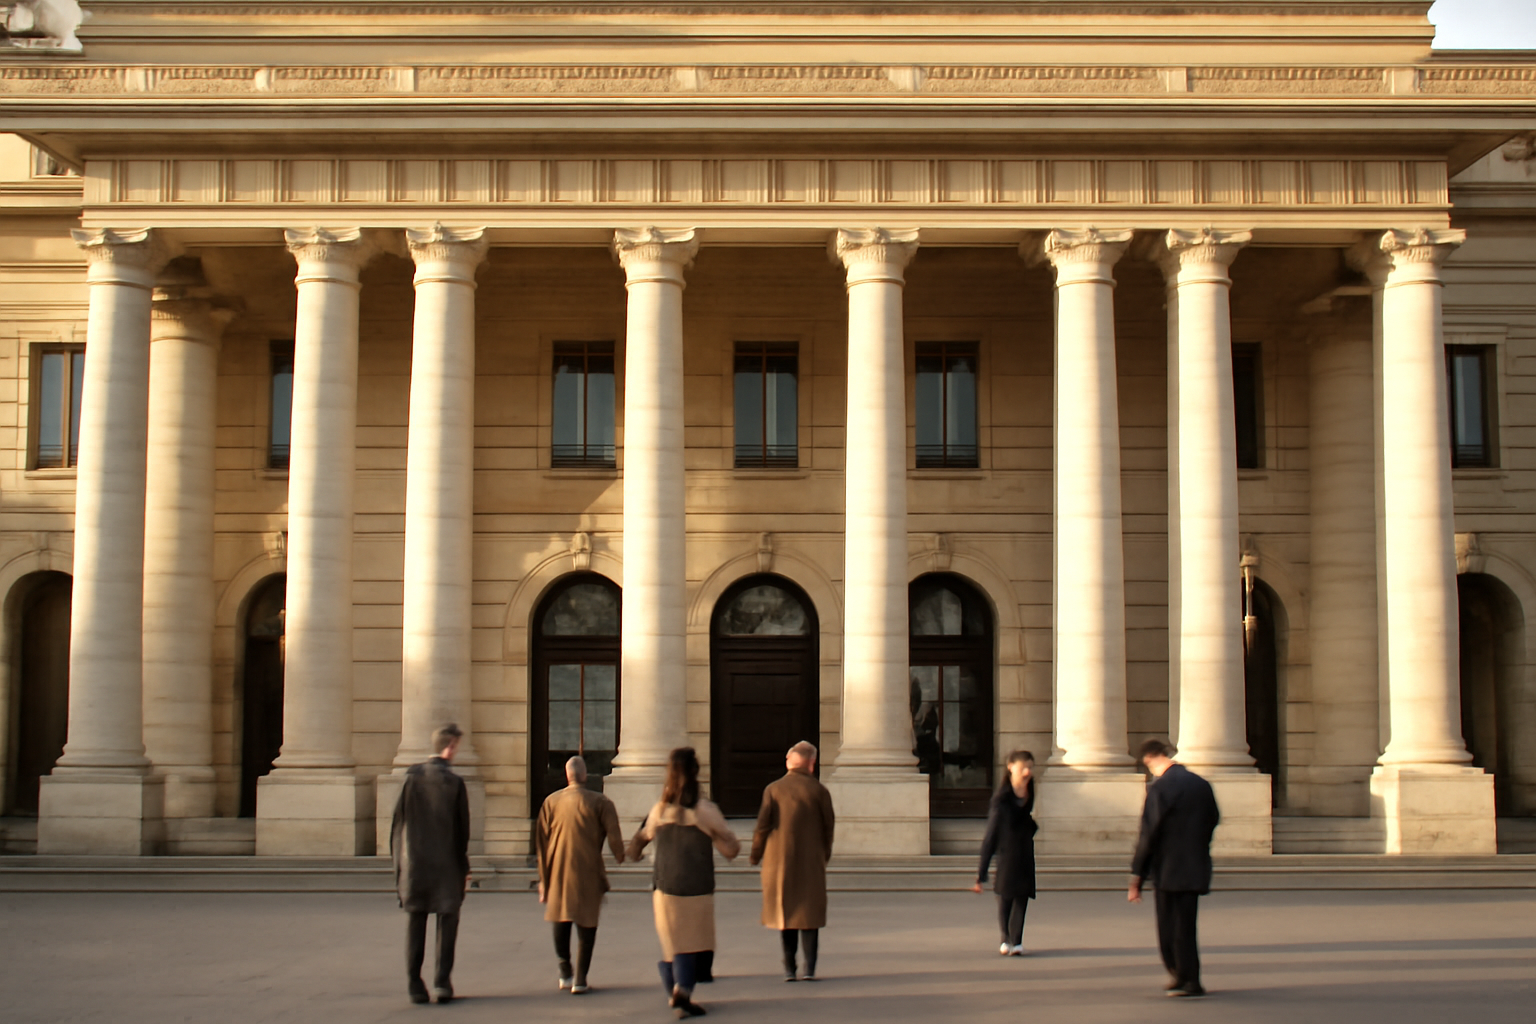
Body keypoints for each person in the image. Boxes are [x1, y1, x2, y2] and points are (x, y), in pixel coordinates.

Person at [628, 747, 741, 1019]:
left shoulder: (659, 810)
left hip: (665, 885)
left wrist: (634, 850)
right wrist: (717, 840)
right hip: (697, 886)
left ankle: (675, 993)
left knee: (671, 944)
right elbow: (731, 848)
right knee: (692, 942)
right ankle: (683, 992)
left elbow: (637, 845)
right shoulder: (705, 810)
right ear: (695, 772)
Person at [1128, 738, 1221, 998]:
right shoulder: (1201, 784)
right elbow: (1213, 819)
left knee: (1170, 928)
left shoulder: (1161, 788)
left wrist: (1137, 874)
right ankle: (1188, 976)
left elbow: (1149, 833)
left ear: (1149, 760)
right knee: (1186, 926)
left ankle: (1183, 977)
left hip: (1168, 868)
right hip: (1195, 865)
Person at [389, 723, 472, 1005]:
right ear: (450, 747)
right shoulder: (454, 783)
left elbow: (398, 826)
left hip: (414, 865)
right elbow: (463, 833)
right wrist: (464, 868)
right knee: (447, 923)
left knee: (416, 923)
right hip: (447, 865)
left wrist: (398, 868)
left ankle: (414, 983)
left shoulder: (411, 779)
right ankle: (442, 982)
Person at [535, 755, 625, 995]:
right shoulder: (600, 802)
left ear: (567, 775)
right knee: (587, 925)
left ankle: (565, 971)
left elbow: (542, 843)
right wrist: (621, 855)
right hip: (588, 869)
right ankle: (581, 979)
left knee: (561, 919)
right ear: (585, 776)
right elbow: (615, 836)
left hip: (557, 869)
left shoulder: (551, 802)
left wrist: (543, 879)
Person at [750, 740, 836, 982]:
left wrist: (756, 854)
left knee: (785, 914)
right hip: (811, 861)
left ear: (789, 762)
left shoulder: (774, 789)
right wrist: (823, 854)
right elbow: (829, 827)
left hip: (779, 862)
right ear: (812, 763)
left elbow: (762, 825)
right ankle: (809, 967)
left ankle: (789, 967)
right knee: (810, 916)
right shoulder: (819, 791)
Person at [972, 749, 1037, 955]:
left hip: (1025, 853)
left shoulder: (1030, 791)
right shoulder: (1001, 800)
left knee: (1022, 897)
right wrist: (981, 873)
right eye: (1023, 767)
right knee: (1006, 897)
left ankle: (1017, 941)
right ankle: (1005, 938)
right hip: (1007, 854)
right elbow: (990, 837)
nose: (1027, 772)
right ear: (1011, 768)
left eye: (1030, 767)